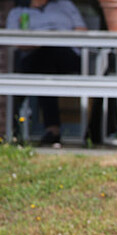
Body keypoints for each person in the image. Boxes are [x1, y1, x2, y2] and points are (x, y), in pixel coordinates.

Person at [6, 0, 87, 146]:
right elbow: (14, 40)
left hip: (65, 54)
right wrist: (40, 42)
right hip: (33, 55)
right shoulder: (17, 12)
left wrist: (56, 38)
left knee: (45, 63)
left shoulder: (65, 5)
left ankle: (44, 130)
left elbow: (82, 32)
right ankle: (48, 130)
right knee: (43, 62)